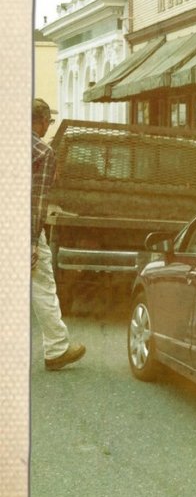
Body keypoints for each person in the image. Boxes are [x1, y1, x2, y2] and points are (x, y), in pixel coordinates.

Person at [31, 99, 84, 372]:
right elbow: (37, 200)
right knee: (42, 285)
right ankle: (56, 348)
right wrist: (30, 242)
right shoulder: (42, 152)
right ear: (39, 121)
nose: (47, 128)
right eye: (47, 122)